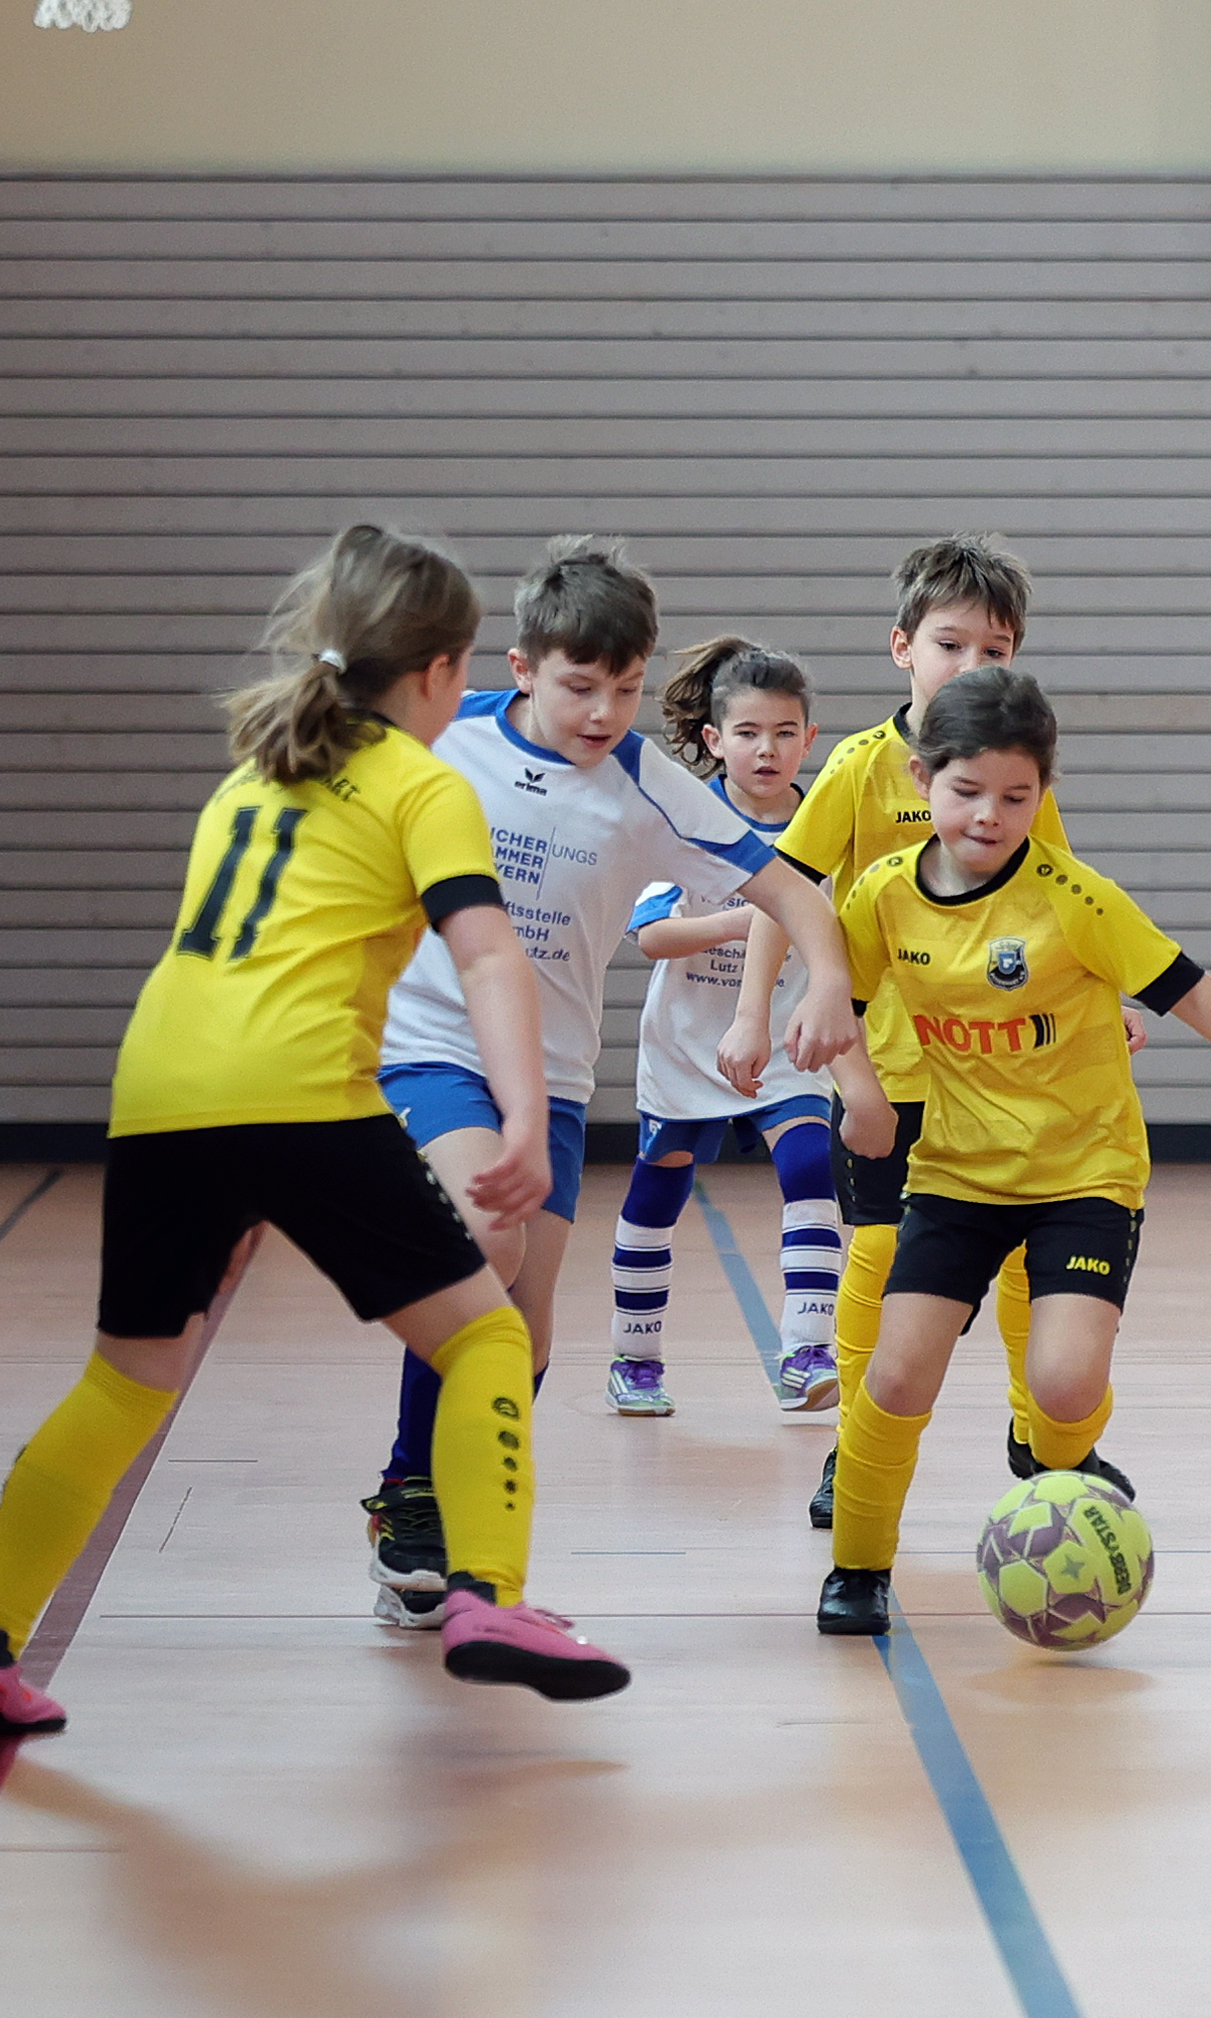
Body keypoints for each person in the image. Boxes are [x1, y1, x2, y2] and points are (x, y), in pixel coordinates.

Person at [0, 526, 631, 1735]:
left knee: (126, 1377)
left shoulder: (255, 771)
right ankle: (485, 1596)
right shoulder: (423, 783)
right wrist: (524, 1114)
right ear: (437, 672)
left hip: (159, 1089)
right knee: (484, 1336)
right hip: (296, 1083)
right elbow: (487, 956)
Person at [792, 668, 1211, 1633]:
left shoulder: (1075, 899)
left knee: (1063, 1383)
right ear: (923, 779)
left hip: (1084, 1174)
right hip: (957, 1174)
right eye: (968, 790)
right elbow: (837, 1001)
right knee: (895, 1378)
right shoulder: (883, 897)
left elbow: (1196, 994)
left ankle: (1060, 1460)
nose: (990, 815)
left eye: (1017, 796)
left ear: (1043, 794)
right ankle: (858, 1568)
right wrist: (863, 1095)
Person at [361, 540, 859, 1627]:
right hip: (431, 1044)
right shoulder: (443, 736)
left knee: (525, 1332)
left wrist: (826, 978)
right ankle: (412, 1493)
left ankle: (456, 1537)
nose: (602, 712)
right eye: (580, 686)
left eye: (625, 689)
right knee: (483, 1243)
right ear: (522, 666)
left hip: (550, 1071)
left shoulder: (645, 785)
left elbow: (794, 891)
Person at [720, 535, 1142, 1529]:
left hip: (1004, 1072)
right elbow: (783, 891)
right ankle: (854, 1445)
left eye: (994, 650)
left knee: (1025, 1261)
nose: (970, 665)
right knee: (877, 1257)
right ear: (902, 647)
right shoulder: (860, 768)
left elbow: (1063, 902)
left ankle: (1041, 1435)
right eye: (951, 644)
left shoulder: (1011, 775)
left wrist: (1110, 995)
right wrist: (750, 1011)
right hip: (886, 1063)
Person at [604, 638, 842, 1419]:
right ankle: (634, 1356)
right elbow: (652, 936)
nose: (766, 749)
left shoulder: (825, 825)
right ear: (714, 738)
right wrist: (755, 916)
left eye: (783, 732)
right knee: (659, 1188)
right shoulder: (689, 820)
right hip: (687, 1045)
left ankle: (807, 1351)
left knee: (809, 1164)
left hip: (785, 1042)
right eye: (747, 733)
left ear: (809, 739)